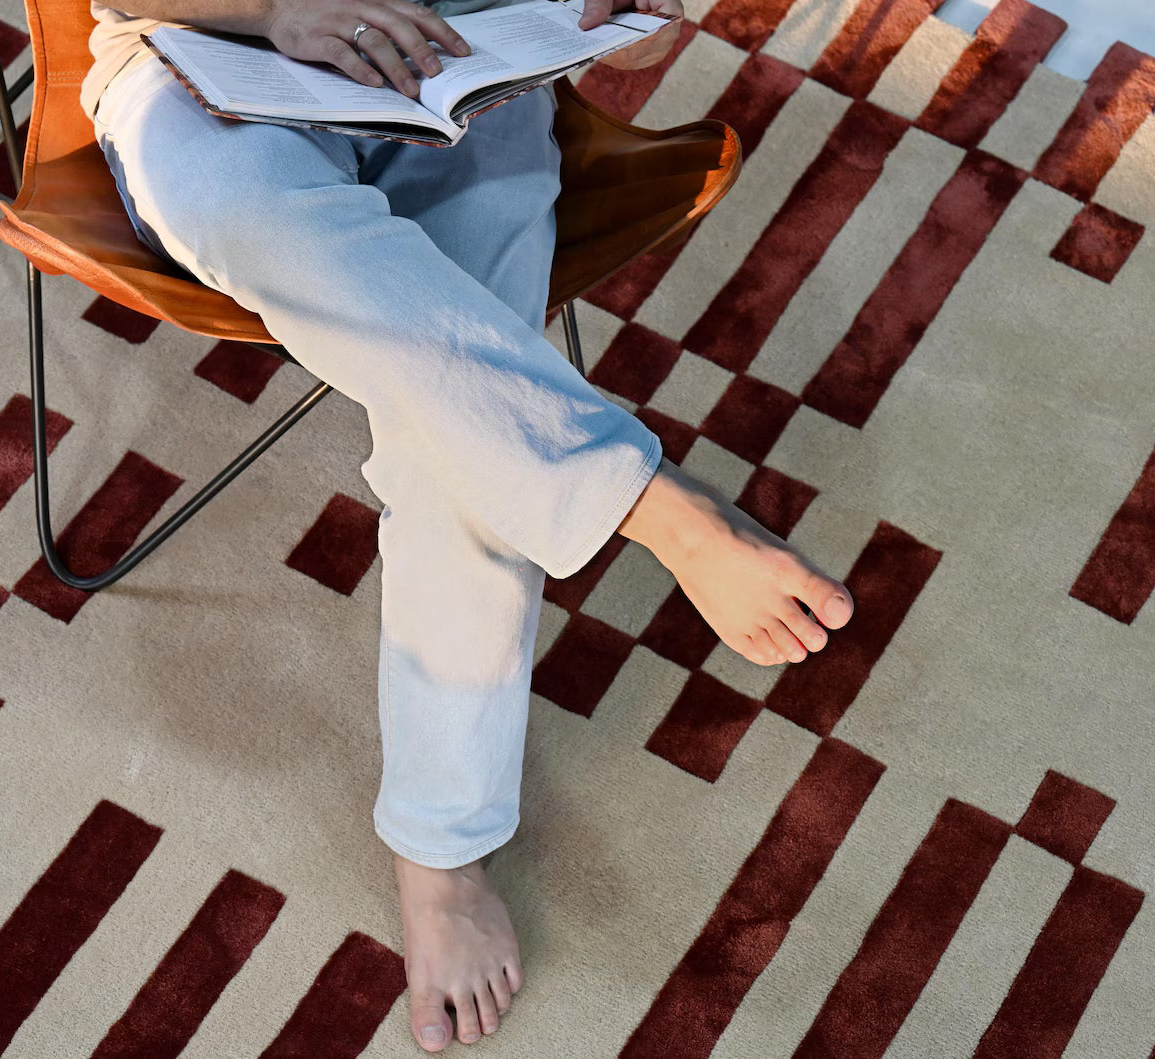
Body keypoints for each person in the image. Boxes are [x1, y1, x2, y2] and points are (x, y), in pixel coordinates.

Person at [80, 0, 855, 1050]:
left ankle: (440, 858)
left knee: (462, 418)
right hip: (206, 65)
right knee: (267, 226)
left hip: (454, 62)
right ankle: (646, 504)